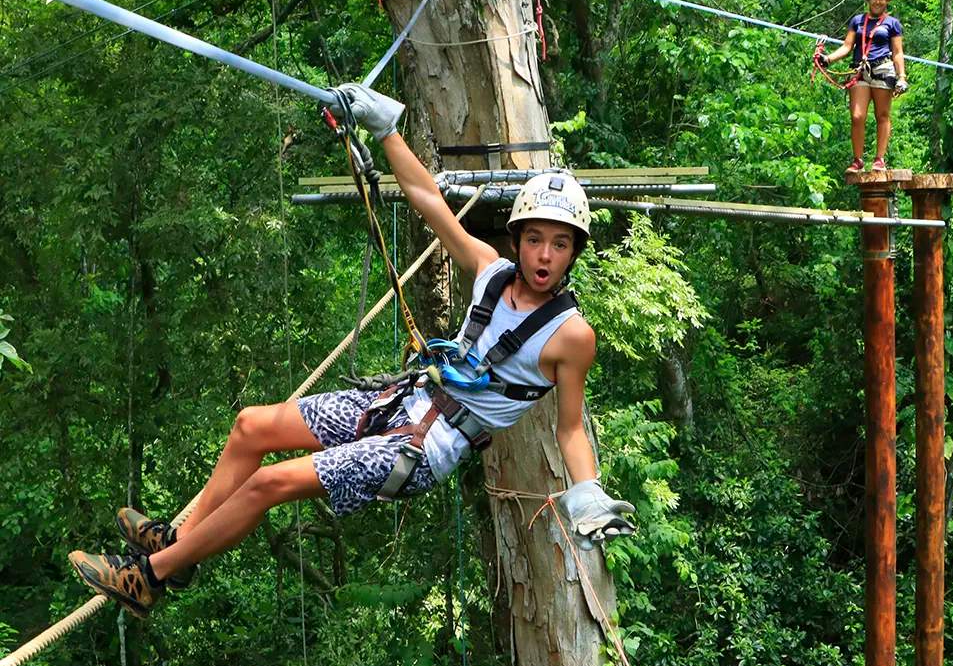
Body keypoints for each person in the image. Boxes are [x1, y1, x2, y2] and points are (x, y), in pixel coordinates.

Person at [68, 84, 634, 618]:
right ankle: (181, 543)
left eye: (559, 244)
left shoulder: (571, 335)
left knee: (268, 484)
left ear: (573, 252)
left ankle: (149, 578)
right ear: (517, 239)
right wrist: (386, 130)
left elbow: (569, 429)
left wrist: (587, 492)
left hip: (425, 446)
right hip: (400, 402)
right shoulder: (492, 271)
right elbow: (427, 200)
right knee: (250, 427)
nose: (544, 255)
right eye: (534, 239)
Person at [816, 0, 908, 174]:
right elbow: (847, 46)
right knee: (857, 116)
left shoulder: (892, 24)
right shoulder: (857, 21)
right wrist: (828, 59)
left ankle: (879, 159)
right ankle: (857, 160)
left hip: (883, 70)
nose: (877, 2)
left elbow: (897, 52)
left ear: (887, 1)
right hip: (860, 70)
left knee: (882, 115)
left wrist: (902, 76)